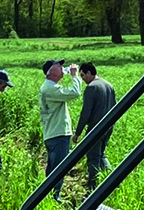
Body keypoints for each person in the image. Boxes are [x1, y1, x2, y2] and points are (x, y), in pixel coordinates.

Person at [39, 59, 83, 201]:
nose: (62, 68)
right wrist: (74, 76)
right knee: (59, 168)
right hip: (58, 133)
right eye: (59, 66)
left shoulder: (48, 87)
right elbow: (74, 93)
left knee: (53, 166)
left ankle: (47, 195)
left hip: (53, 133)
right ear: (51, 72)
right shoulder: (50, 89)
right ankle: (54, 196)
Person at [73, 62, 116, 190]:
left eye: (82, 76)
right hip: (109, 127)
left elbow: (85, 113)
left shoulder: (91, 87)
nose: (82, 79)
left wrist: (78, 132)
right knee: (101, 155)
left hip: (95, 128)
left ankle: (92, 186)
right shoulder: (108, 85)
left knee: (93, 157)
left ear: (89, 73)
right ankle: (112, 181)